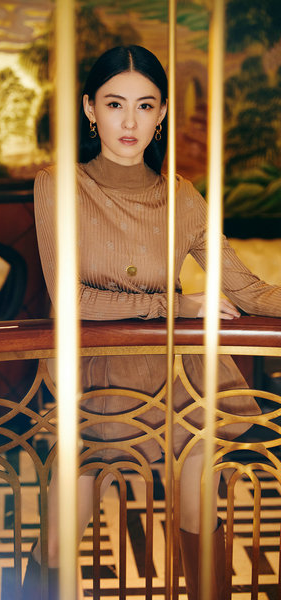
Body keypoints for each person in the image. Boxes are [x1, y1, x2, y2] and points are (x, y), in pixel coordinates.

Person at [23, 45, 281, 600]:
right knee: (58, 541)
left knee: (200, 522)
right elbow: (71, 300)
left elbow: (248, 290)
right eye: (115, 104)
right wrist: (176, 307)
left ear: (161, 113)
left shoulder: (181, 197)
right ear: (90, 108)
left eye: (144, 106)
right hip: (97, 383)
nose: (129, 122)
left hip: (182, 380)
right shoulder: (58, 185)